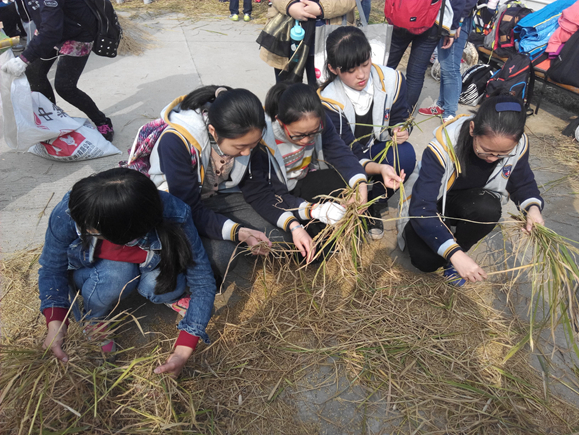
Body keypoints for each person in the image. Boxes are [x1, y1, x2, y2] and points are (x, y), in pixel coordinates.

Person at [39, 168, 217, 376]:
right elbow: (52, 267)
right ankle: (94, 319)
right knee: (117, 274)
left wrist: (183, 350)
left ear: (127, 235)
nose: (85, 230)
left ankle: (168, 295)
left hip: (148, 260)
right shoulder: (74, 209)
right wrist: (56, 324)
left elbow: (203, 282)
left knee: (163, 287)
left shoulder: (174, 212)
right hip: (102, 267)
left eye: (93, 231)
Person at [148, 85, 318, 276]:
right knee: (223, 257)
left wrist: (294, 226)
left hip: (219, 197)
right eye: (240, 146)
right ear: (213, 131)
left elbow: (259, 193)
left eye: (252, 145)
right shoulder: (177, 142)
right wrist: (238, 232)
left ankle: (226, 235)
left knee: (282, 238)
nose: (246, 153)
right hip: (180, 208)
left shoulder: (249, 137)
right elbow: (187, 210)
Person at [399, 95, 544, 286]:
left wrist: (533, 208)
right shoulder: (442, 147)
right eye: (485, 150)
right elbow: (421, 208)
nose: (492, 158)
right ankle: (451, 246)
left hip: (471, 202)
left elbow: (522, 182)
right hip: (433, 205)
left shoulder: (517, 144)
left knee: (487, 209)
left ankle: (460, 247)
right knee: (426, 261)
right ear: (473, 128)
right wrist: (453, 254)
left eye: (502, 155)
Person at [240, 82, 367, 246]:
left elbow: (339, 151)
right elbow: (270, 194)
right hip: (277, 194)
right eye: (298, 136)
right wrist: (314, 211)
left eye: (314, 133)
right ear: (279, 121)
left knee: (344, 184)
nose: (307, 141)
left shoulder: (320, 120)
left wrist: (360, 184)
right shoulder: (261, 139)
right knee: (283, 241)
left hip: (303, 180)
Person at [319, 26, 416, 239]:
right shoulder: (329, 101)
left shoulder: (392, 80)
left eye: (365, 64)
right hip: (348, 159)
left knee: (406, 155)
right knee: (338, 178)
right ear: (334, 69)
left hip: (378, 149)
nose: (361, 75)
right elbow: (346, 149)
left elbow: (402, 115)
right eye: (351, 71)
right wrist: (378, 168)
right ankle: (358, 198)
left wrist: (402, 129)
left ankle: (375, 202)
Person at [0, 0, 114, 141]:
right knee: (34, 74)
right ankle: (53, 119)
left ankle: (101, 121)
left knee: (65, 87)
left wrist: (23, 59)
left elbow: (52, 31)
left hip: (77, 33)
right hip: (48, 28)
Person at [385, 0, 465, 111]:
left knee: (386, 66)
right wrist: (452, 28)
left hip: (403, 14)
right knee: (415, 74)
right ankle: (403, 116)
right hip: (433, 21)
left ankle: (373, 108)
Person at [258, 0, 355, 86]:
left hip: (328, 39)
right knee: (287, 93)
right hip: (287, 36)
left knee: (323, 94)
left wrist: (322, 8)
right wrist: (289, 5)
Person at [419, 0, 479, 120]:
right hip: (446, 16)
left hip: (458, 19)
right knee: (445, 64)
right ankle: (441, 104)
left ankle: (450, 113)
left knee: (451, 68)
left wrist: (458, 22)